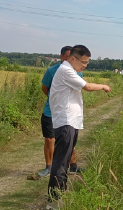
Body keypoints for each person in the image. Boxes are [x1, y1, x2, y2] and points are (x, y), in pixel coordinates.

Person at [48, 45, 111, 200]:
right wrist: (104, 86)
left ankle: (61, 191)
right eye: (83, 62)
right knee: (61, 161)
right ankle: (54, 197)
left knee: (65, 159)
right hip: (65, 122)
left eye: (87, 63)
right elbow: (87, 86)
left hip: (70, 121)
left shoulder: (70, 70)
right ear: (73, 58)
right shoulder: (66, 70)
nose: (85, 66)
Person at [37, 46, 82, 178]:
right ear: (62, 56)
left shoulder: (78, 71)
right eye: (68, 56)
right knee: (50, 140)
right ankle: (49, 167)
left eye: (72, 57)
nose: (70, 59)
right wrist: (54, 101)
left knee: (69, 140)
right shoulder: (52, 71)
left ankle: (73, 166)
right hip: (50, 112)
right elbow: (45, 88)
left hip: (67, 113)